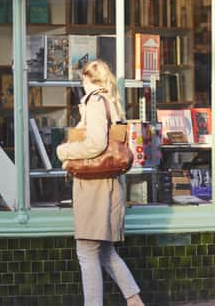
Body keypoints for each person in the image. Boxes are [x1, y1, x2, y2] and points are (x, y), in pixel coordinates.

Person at [56, 59, 145, 306]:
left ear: (88, 79)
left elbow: (95, 143)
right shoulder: (110, 102)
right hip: (107, 185)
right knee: (105, 252)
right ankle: (135, 300)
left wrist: (65, 151)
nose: (81, 84)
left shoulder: (95, 102)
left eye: (83, 79)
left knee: (86, 252)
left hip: (94, 188)